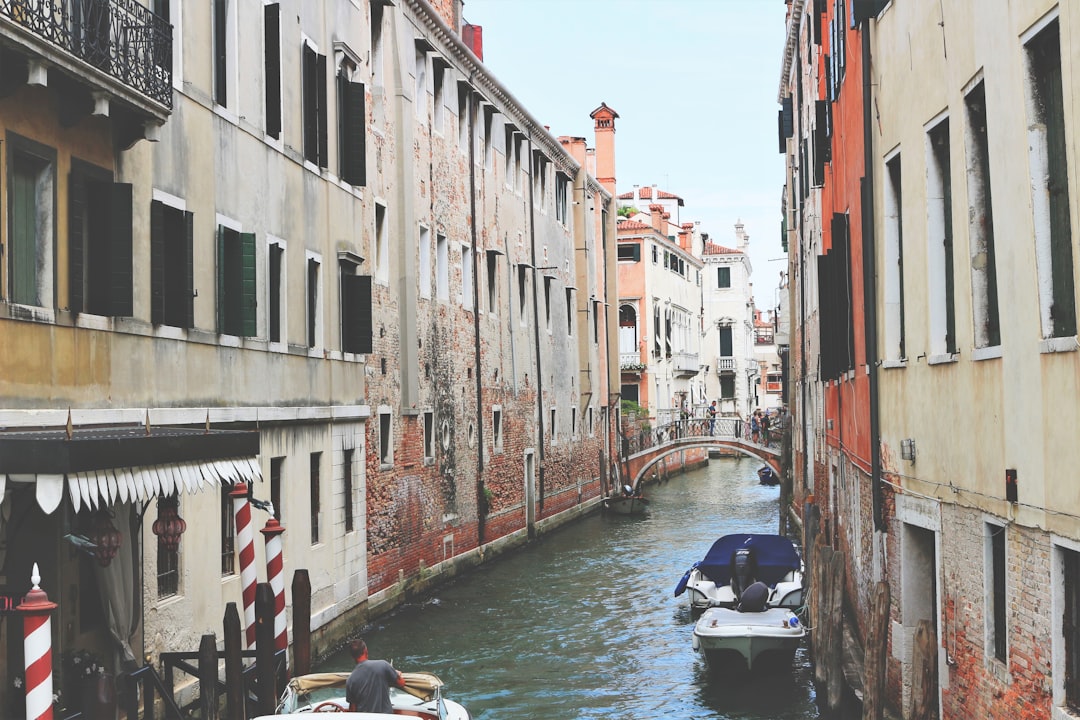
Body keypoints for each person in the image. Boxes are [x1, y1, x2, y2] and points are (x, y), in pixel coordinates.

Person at [345, 638, 405, 714]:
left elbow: (353, 709)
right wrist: (396, 674)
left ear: (352, 656)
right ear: (365, 651)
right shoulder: (383, 665)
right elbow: (401, 683)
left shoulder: (350, 680)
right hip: (386, 717)